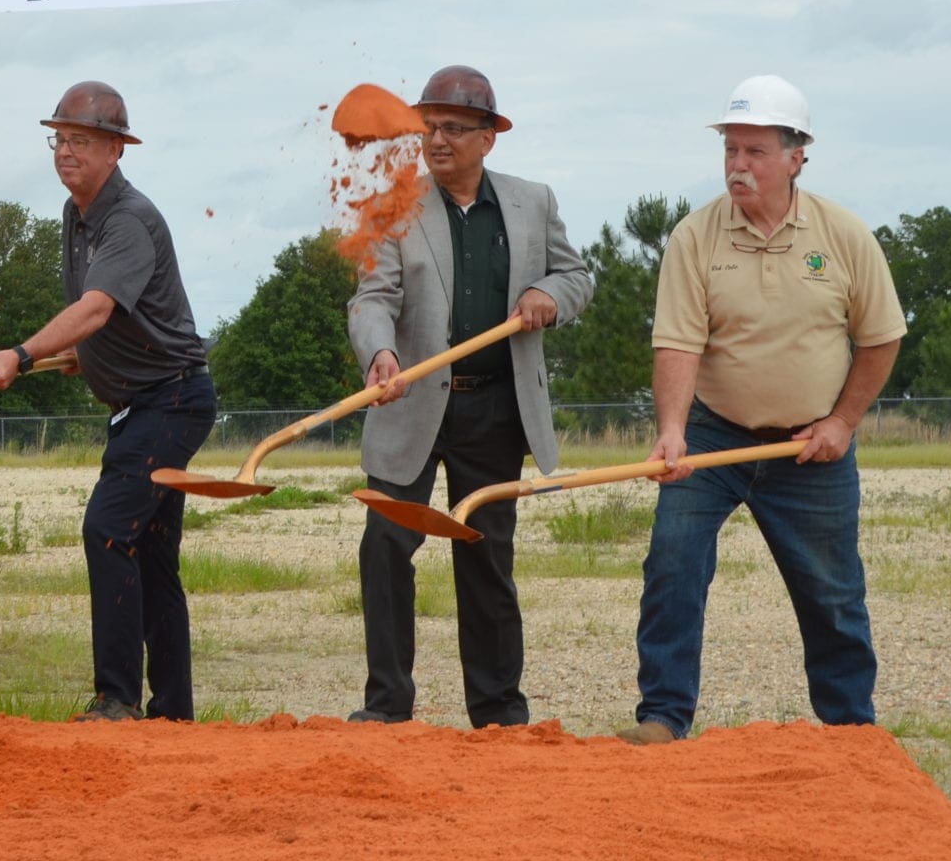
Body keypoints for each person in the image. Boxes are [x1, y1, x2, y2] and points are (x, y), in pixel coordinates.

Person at [623, 75, 905, 744]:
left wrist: (840, 423)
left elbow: (881, 336)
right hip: (713, 438)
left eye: (754, 152)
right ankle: (662, 717)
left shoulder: (842, 234)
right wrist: (671, 432)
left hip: (812, 448)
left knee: (832, 592)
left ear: (796, 155)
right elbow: (678, 342)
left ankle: (851, 732)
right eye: (730, 151)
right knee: (672, 563)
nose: (738, 166)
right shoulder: (695, 238)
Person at [346, 66, 594, 727]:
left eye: (454, 128)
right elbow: (372, 298)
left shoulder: (532, 203)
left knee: (486, 554)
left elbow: (574, 275)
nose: (437, 140)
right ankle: (387, 705)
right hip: (411, 403)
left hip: (495, 407)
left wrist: (549, 296)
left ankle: (497, 709)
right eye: (428, 127)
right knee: (386, 547)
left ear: (490, 137)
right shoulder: (393, 207)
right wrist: (380, 353)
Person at [0, 82, 215, 722]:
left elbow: (97, 306)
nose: (66, 151)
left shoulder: (128, 219)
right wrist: (80, 357)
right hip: (145, 401)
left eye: (81, 140)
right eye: (60, 139)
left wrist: (21, 354)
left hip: (171, 401)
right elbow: (109, 323)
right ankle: (172, 712)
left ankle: (115, 699)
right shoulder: (75, 214)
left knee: (107, 530)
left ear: (116, 149)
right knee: (152, 555)